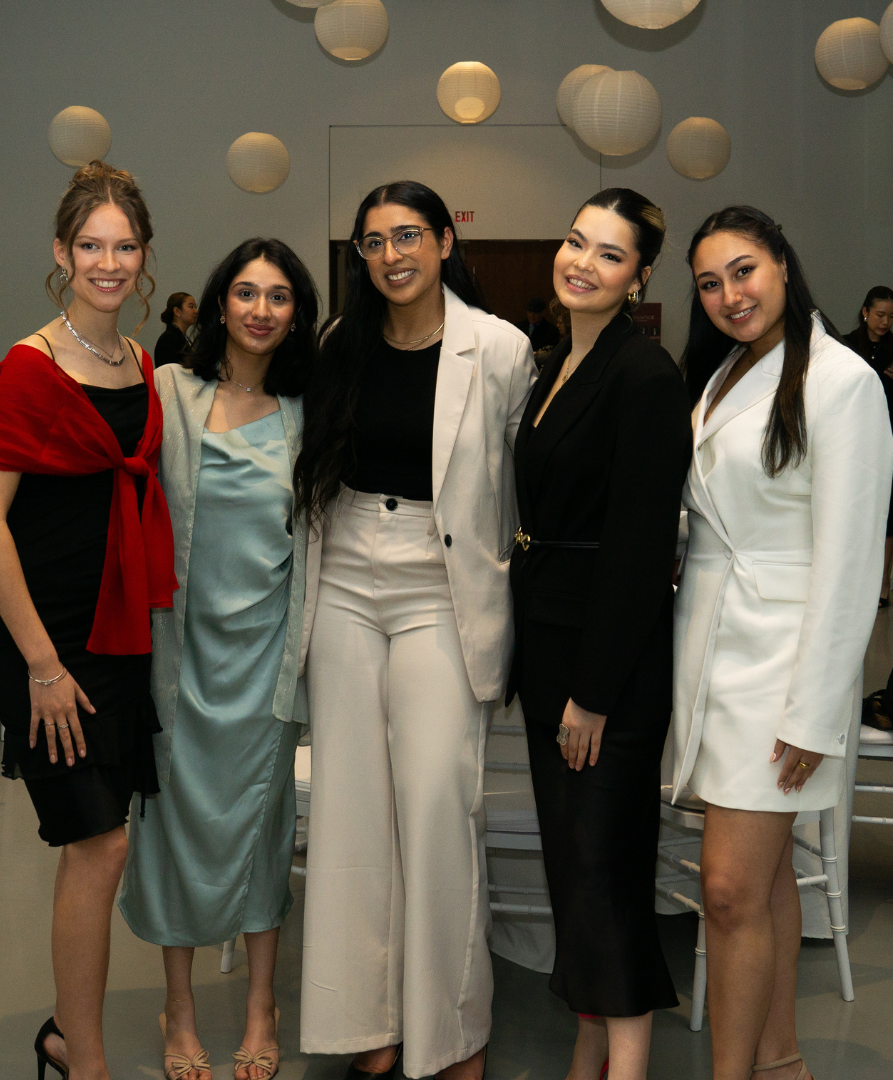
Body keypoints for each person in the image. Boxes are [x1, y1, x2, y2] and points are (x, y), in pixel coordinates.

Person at [292, 181, 534, 1080]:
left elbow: (521, 483)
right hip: (348, 572)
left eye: (407, 236)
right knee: (349, 804)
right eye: (373, 242)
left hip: (443, 580)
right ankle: (366, 1022)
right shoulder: (338, 343)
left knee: (437, 801)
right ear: (359, 256)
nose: (391, 255)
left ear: (442, 242)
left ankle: (453, 1031)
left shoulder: (499, 347)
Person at [671, 205, 893, 1080]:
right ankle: (780, 1061)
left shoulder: (842, 380)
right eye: (710, 283)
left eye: (744, 271)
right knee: (759, 884)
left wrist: (814, 710)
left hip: (784, 659)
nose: (730, 294)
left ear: (784, 267)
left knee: (727, 889)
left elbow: (851, 561)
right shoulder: (726, 372)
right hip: (713, 645)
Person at [0, 161, 174, 1080]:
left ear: (144, 256)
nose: (108, 262)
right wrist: (43, 666)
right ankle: (84, 1059)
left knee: (102, 844)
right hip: (41, 638)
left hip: (114, 634)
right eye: (91, 245)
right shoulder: (31, 366)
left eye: (124, 246)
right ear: (61, 253)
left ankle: (64, 1035)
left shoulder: (140, 364)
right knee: (100, 841)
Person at [119, 237, 316, 1080]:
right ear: (218, 303)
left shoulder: (308, 410)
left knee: (263, 830)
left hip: (266, 657)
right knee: (171, 829)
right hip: (179, 656)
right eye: (246, 292)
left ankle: (263, 1003)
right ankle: (181, 1006)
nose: (260, 310)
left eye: (278, 296)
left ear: (296, 313)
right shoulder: (170, 389)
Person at [512, 189, 690, 1080]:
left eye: (609, 254)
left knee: (605, 868)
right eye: (576, 242)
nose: (582, 263)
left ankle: (628, 1063)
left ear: (640, 276)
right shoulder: (558, 362)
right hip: (551, 645)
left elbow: (640, 548)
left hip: (605, 666)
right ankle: (590, 1044)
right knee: (570, 864)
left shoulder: (646, 376)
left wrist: (592, 692)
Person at [839, 286, 893, 603]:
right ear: (866, 312)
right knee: (851, 506)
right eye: (880, 315)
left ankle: (882, 587)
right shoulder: (845, 345)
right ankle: (853, 582)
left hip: (890, 431)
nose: (885, 322)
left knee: (885, 508)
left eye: (892, 316)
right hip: (854, 431)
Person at [154, 291, 197, 368]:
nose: (196, 311)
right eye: (191, 307)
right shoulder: (168, 339)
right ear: (177, 311)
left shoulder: (182, 338)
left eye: (195, 307)